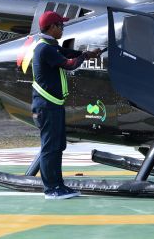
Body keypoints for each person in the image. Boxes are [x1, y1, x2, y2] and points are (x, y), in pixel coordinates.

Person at [31, 11, 101, 200]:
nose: (63, 28)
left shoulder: (50, 46)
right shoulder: (44, 49)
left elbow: (67, 52)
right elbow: (69, 63)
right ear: (52, 27)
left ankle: (58, 185)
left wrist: (87, 53)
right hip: (46, 106)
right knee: (49, 147)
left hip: (53, 105)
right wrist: (84, 57)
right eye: (61, 25)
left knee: (57, 146)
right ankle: (50, 189)